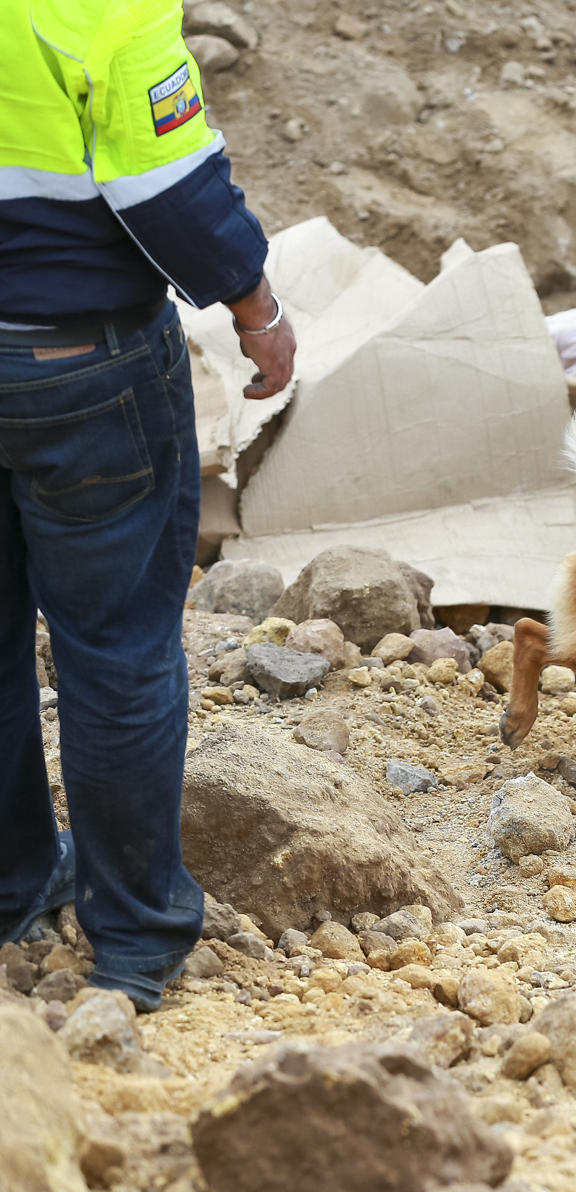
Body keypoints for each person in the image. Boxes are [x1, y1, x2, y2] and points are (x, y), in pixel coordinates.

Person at [0, 0, 294, 1010]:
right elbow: (164, 182)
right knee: (117, 649)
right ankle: (133, 937)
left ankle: (11, 889)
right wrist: (257, 307)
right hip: (81, 363)